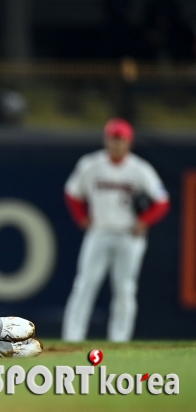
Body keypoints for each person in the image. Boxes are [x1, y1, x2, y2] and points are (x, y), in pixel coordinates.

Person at [63, 118, 169, 342]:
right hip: (99, 232)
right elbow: (72, 193)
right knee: (84, 284)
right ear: (106, 140)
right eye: (113, 139)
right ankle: (72, 336)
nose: (116, 144)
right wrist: (81, 217)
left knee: (125, 289)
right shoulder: (90, 164)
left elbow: (162, 201)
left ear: (129, 142)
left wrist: (144, 221)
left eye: (121, 140)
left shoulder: (140, 169)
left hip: (129, 235)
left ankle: (120, 339)